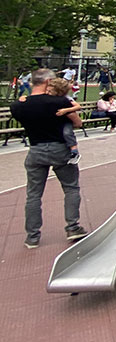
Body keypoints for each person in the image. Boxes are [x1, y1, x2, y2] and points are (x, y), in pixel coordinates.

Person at [10, 68, 87, 248]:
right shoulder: (59, 102)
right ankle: (72, 227)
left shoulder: (19, 105)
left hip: (35, 149)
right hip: (59, 148)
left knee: (33, 194)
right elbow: (78, 122)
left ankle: (32, 236)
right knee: (70, 187)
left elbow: (20, 113)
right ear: (47, 82)